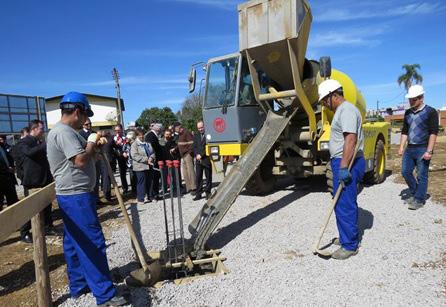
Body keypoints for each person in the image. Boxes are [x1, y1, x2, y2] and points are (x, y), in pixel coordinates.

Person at [46, 91, 127, 306]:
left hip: (73, 195)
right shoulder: (64, 132)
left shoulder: (69, 132)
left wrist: (94, 144)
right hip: (76, 196)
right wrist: (91, 141)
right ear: (77, 111)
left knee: (74, 242)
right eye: (85, 115)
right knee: (92, 242)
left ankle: (79, 285)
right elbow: (81, 159)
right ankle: (105, 295)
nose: (85, 120)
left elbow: (86, 150)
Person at [318, 79, 365, 260]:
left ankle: (350, 245)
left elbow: (350, 139)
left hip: (347, 163)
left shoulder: (347, 110)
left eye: (324, 101)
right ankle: (346, 236)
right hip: (342, 161)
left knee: (345, 203)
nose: (324, 104)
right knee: (340, 202)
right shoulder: (343, 111)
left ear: (333, 95)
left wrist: (344, 167)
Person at [399, 85, 439, 210]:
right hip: (409, 148)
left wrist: (429, 150)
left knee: (422, 175)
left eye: (414, 99)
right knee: (405, 172)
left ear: (421, 98)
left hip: (423, 148)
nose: (411, 101)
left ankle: (419, 199)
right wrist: (401, 147)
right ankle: (417, 192)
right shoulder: (408, 113)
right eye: (410, 99)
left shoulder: (431, 112)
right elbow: (405, 131)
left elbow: (433, 132)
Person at [19, 120, 56, 243]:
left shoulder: (38, 142)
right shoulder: (24, 142)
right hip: (32, 181)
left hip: (44, 178)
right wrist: (44, 145)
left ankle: (48, 227)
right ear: (34, 129)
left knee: (47, 204)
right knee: (30, 208)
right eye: (41, 129)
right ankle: (24, 232)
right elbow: (29, 153)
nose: (43, 131)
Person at [79, 119, 102, 203]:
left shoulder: (94, 133)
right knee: (89, 180)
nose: (89, 125)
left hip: (96, 158)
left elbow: (98, 144)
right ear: (83, 125)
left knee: (96, 178)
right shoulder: (80, 134)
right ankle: (91, 200)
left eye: (90, 123)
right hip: (88, 159)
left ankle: (96, 198)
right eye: (87, 124)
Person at [131, 127, 155, 205]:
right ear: (136, 136)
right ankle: (141, 198)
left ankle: (151, 196)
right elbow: (134, 156)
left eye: (142, 135)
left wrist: (151, 158)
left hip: (149, 165)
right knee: (141, 182)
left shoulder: (148, 143)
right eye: (139, 135)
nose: (141, 137)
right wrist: (146, 159)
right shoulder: (134, 145)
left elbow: (153, 152)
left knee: (150, 181)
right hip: (139, 167)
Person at [193, 120, 212, 200]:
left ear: (204, 126)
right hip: (198, 160)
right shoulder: (196, 136)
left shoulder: (209, 135)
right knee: (198, 177)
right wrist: (197, 155)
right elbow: (194, 147)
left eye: (201, 127)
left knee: (208, 177)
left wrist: (201, 155)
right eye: (199, 128)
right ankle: (198, 194)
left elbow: (208, 146)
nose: (200, 129)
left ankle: (208, 193)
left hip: (206, 159)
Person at [176, 123, 196, 194]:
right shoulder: (180, 134)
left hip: (188, 155)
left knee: (190, 171)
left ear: (179, 127)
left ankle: (194, 188)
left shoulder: (186, 132)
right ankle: (188, 188)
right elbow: (180, 144)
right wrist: (175, 149)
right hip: (183, 156)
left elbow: (192, 143)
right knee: (185, 173)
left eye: (175, 128)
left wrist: (190, 152)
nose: (174, 130)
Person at [0, 134, 18, 212]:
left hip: (9, 178)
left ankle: (15, 220)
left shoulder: (4, 146)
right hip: (1, 179)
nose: (1, 139)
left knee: (13, 201)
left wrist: (12, 167)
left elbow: (10, 158)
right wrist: (7, 169)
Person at [144, 123, 163, 199]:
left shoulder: (153, 135)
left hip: (155, 159)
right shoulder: (150, 136)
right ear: (158, 130)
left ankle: (154, 193)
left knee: (156, 177)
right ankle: (154, 194)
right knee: (154, 177)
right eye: (161, 130)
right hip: (153, 160)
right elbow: (150, 149)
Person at [162, 129, 181, 193]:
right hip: (164, 161)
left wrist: (174, 149)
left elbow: (177, 148)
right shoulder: (161, 141)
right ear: (164, 134)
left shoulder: (173, 141)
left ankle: (175, 188)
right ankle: (164, 189)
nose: (168, 136)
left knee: (174, 175)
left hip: (172, 160)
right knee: (164, 176)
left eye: (169, 134)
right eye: (167, 134)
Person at [112, 124, 129, 194]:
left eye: (118, 130)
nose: (117, 132)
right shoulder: (112, 138)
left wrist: (126, 153)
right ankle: (114, 188)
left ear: (121, 130)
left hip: (124, 157)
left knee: (123, 173)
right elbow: (112, 148)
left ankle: (125, 188)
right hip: (115, 157)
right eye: (115, 130)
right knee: (113, 173)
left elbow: (128, 147)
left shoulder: (125, 138)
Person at [123, 130, 137, 195]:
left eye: (128, 138)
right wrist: (124, 153)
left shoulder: (136, 144)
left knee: (137, 177)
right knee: (132, 177)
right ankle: (134, 191)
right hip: (130, 163)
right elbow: (123, 150)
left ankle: (139, 190)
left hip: (136, 163)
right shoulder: (126, 144)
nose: (126, 139)